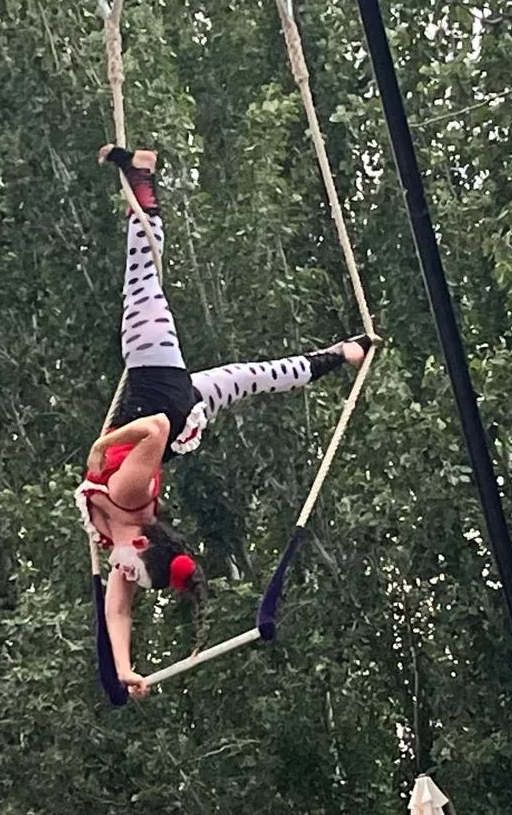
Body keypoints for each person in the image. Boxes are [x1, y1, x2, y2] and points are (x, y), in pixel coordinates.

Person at [75, 145, 370, 699]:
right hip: (157, 379)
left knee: (259, 376)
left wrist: (125, 669)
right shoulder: (127, 495)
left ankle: (341, 354)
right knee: (142, 278)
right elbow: (154, 429)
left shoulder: (122, 537)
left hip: (184, 400)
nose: (124, 576)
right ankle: (143, 178)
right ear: (141, 546)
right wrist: (101, 446)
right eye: (133, 571)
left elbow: (118, 610)